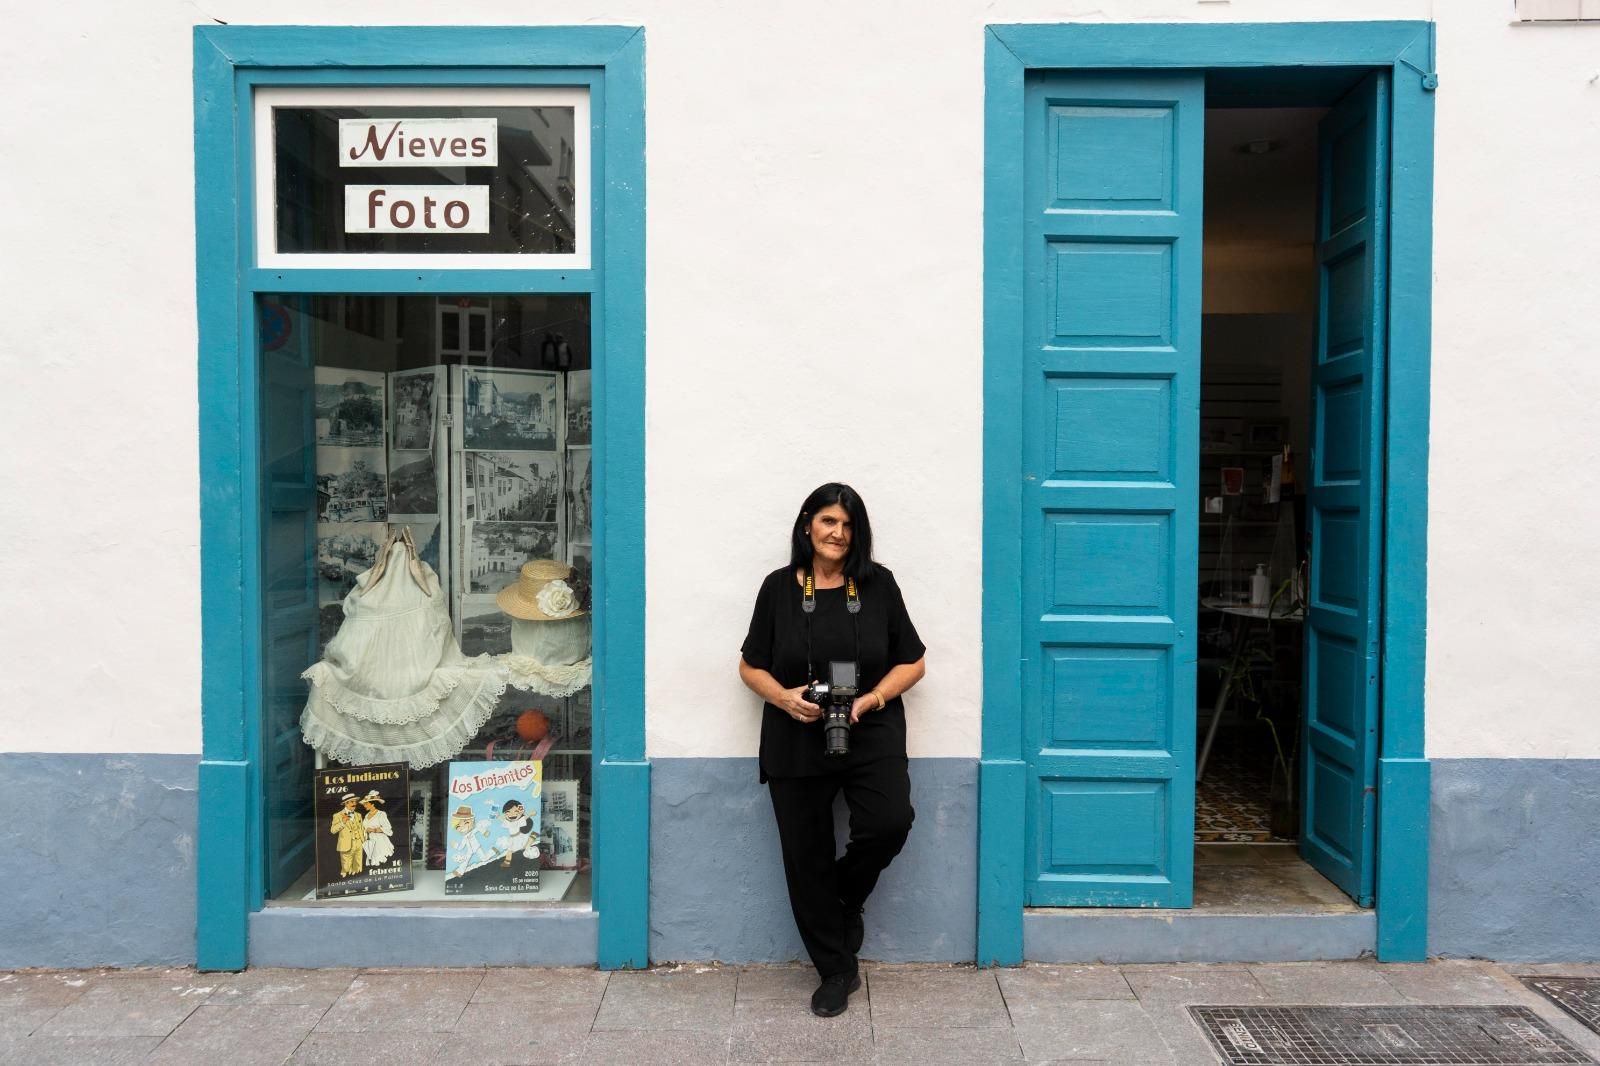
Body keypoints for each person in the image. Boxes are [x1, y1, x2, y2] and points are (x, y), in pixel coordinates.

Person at [738, 482, 927, 1017]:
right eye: (827, 521)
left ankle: (844, 897)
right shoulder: (777, 588)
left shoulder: (878, 585)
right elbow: (749, 665)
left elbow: (913, 661)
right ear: (807, 526)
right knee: (806, 857)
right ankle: (836, 970)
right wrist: (782, 697)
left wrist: (872, 698)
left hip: (869, 725)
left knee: (890, 820)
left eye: (847, 525)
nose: (837, 532)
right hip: (796, 731)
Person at [330, 793, 367, 877]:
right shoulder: (337, 815)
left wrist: (363, 839)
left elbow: (361, 828)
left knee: (358, 867)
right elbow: (333, 830)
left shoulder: (358, 815)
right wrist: (343, 822)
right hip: (346, 844)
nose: (355, 804)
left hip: (359, 843)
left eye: (355, 802)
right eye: (352, 802)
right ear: (346, 803)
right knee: (346, 868)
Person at [360, 791, 394, 868]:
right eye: (364, 803)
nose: (364, 805)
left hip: (379, 841)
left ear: (373, 804)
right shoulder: (366, 815)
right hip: (369, 841)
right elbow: (365, 827)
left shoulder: (381, 814)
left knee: (381, 862)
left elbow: (388, 828)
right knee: (372, 861)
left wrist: (373, 830)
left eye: (366, 803)